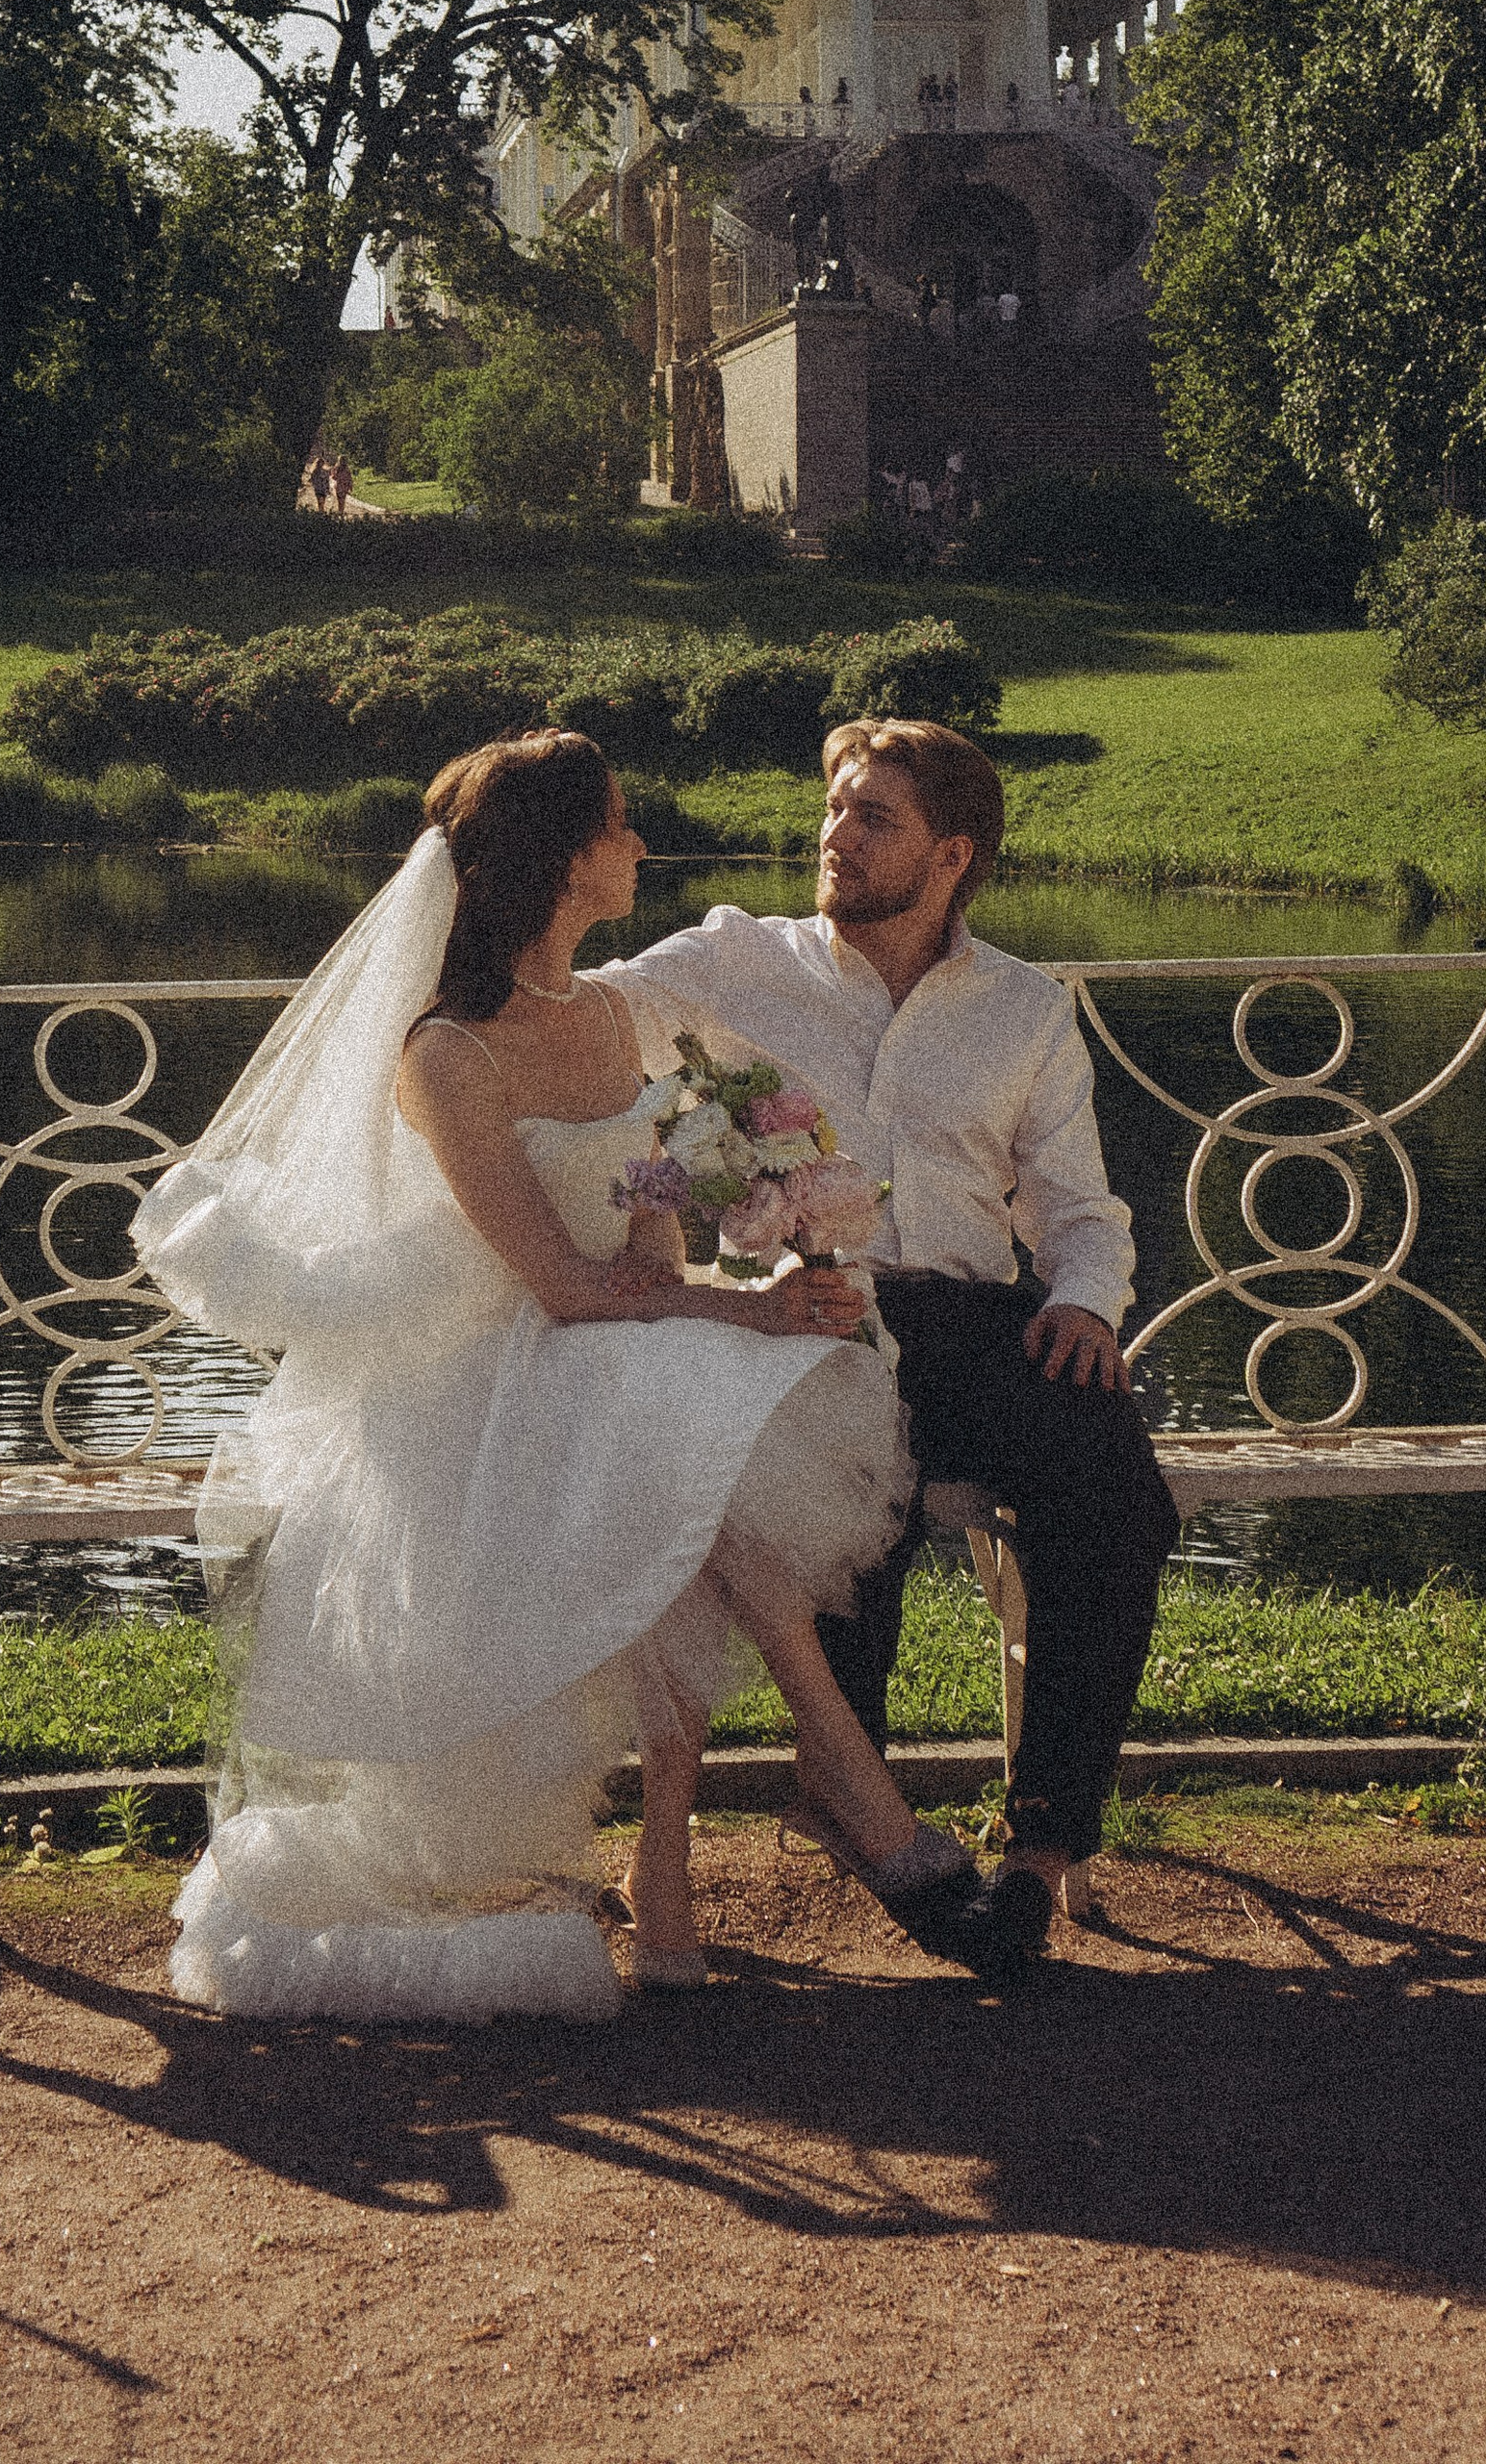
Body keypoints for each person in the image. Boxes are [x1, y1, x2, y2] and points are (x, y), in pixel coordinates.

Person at [132, 730, 997, 2023]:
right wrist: (745, 1313)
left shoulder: (606, 1015)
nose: (640, 844)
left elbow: (641, 1225)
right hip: (480, 1379)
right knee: (692, 1446)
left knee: (698, 1440)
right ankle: (852, 1816)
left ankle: (697, 1865)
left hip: (607, 1345)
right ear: (557, 860)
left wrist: (755, 1251)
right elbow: (558, 1282)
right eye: (618, 825)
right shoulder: (444, 1055)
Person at [599, 720, 1180, 1975]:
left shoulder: (1024, 1007)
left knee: (1117, 1494)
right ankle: (855, 1798)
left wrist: (1085, 1301)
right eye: (835, 809)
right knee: (852, 1488)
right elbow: (574, 1025)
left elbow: (1075, 1210)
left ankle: (1040, 1849)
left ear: (951, 853)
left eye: (875, 819)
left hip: (977, 1321)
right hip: (805, 1318)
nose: (837, 835)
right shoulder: (729, 963)